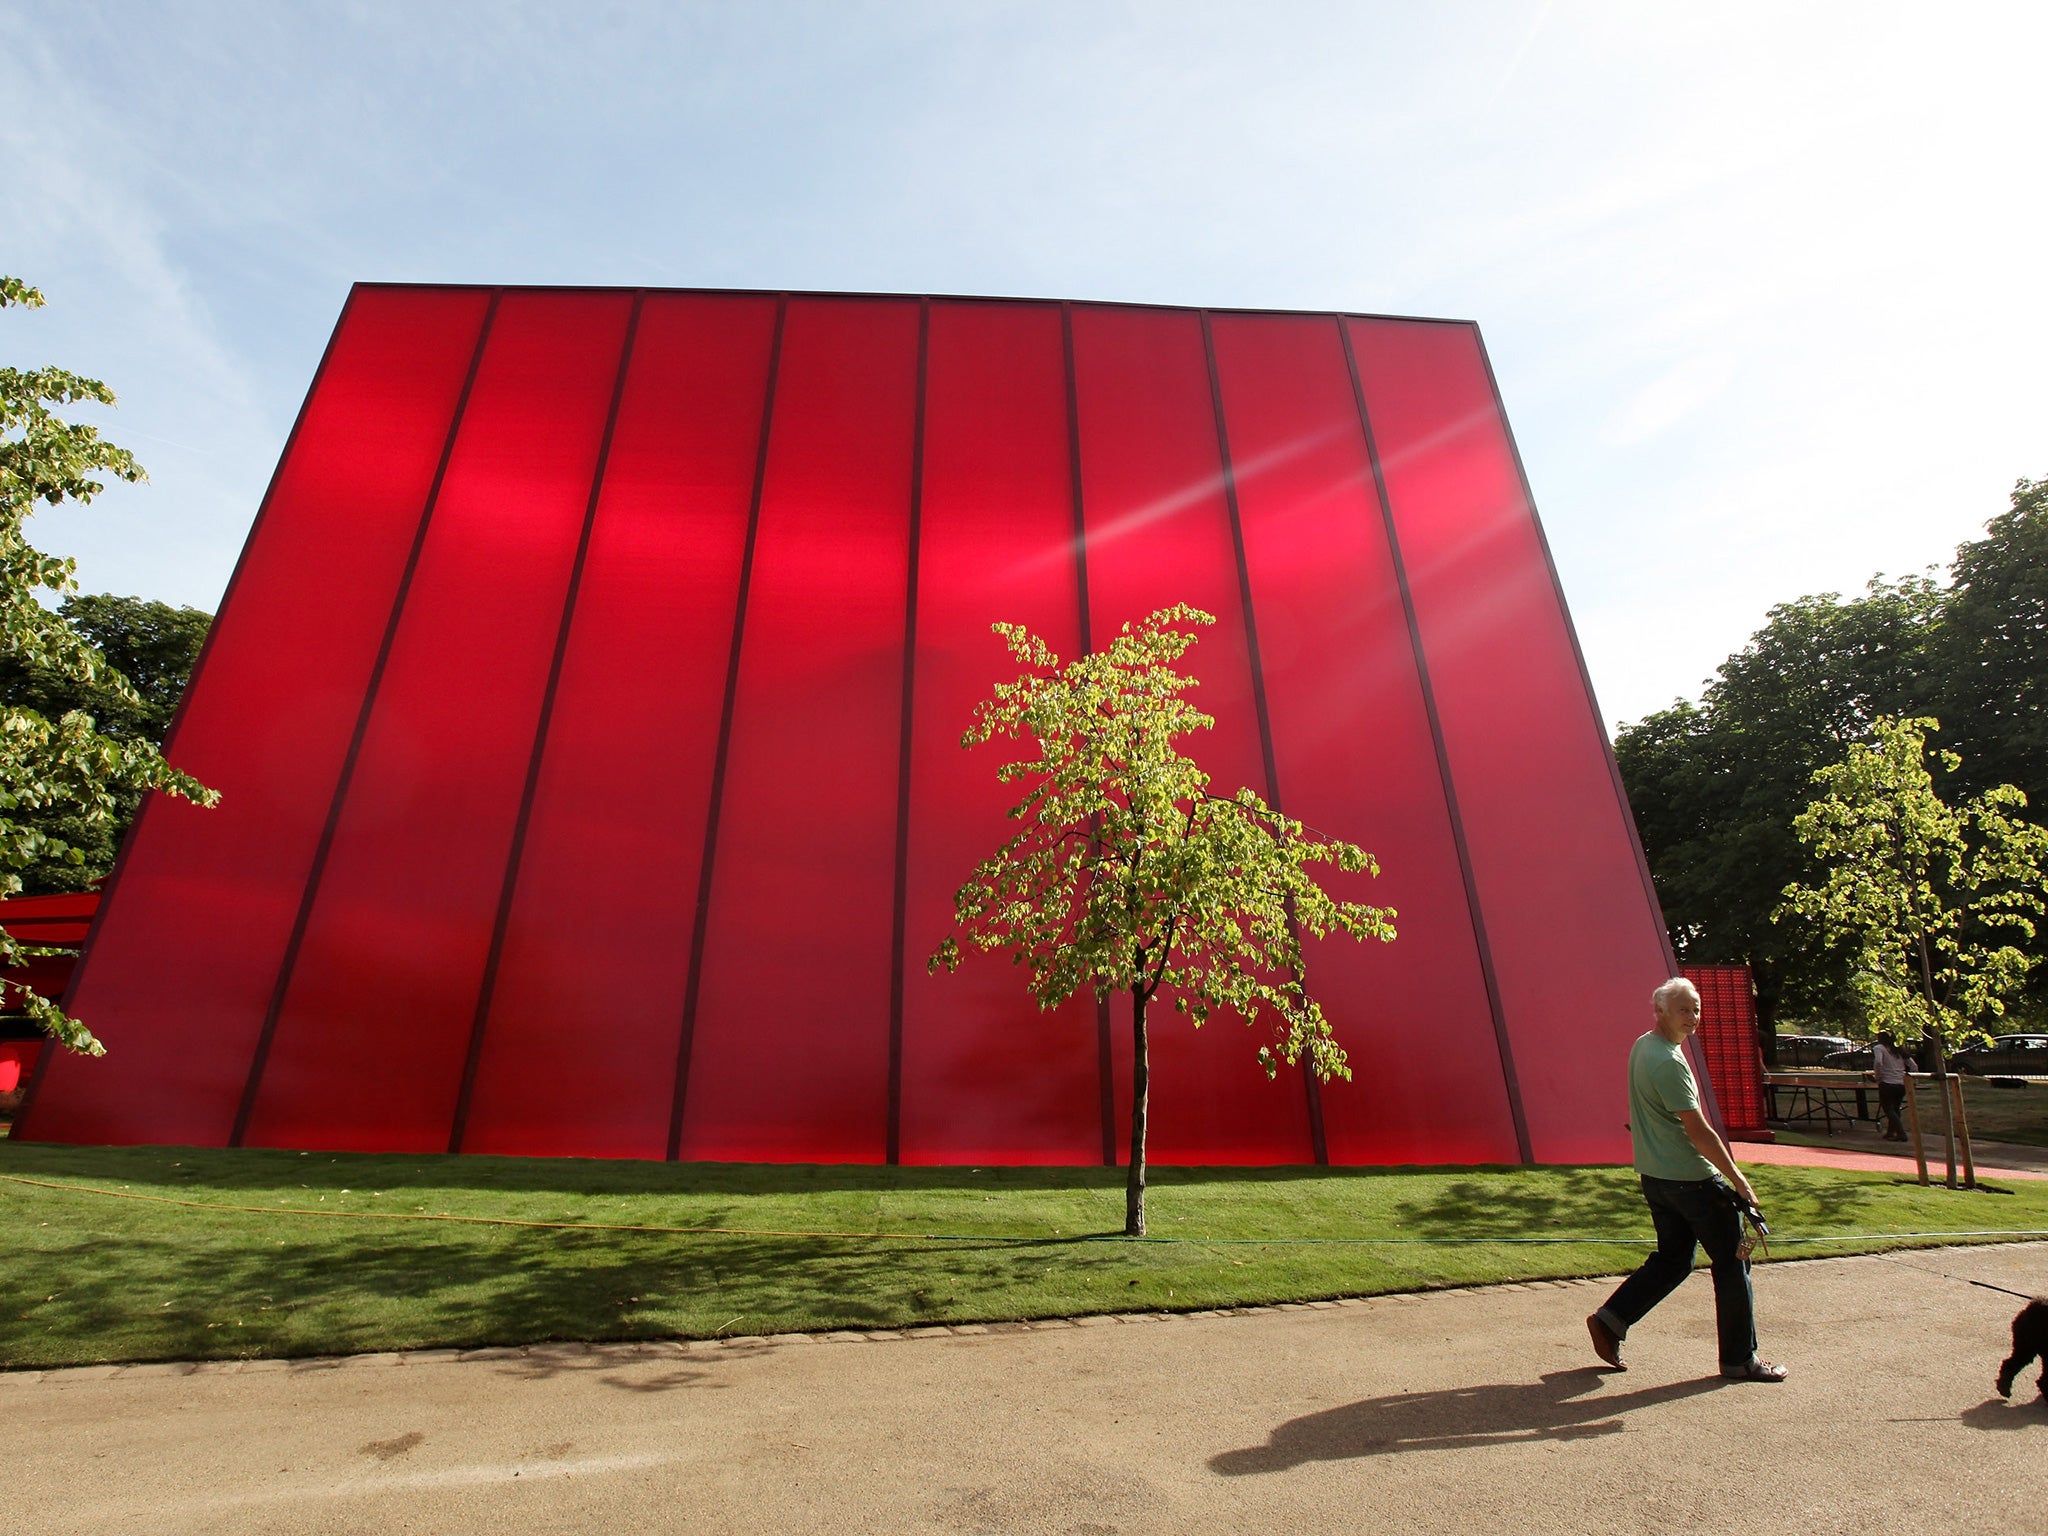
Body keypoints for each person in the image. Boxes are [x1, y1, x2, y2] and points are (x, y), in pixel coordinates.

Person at [1586, 977, 1787, 1382]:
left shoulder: (1644, 1046)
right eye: (1683, 1009)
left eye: (1695, 1008)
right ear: (1660, 1011)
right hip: (1693, 1182)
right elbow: (1698, 1131)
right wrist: (1739, 1179)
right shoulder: (1669, 1061)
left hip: (1657, 1179)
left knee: (1675, 1259)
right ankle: (1739, 1359)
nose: (1692, 1016)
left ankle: (1612, 1319)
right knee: (1732, 1267)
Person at [1871, 1031, 1915, 1141]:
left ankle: (1901, 1133)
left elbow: (1878, 1062)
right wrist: (1913, 1080)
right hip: (1901, 1083)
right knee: (1896, 1108)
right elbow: (1914, 1066)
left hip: (1887, 1082)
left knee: (1888, 1109)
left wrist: (1878, 1076)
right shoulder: (1898, 1049)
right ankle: (1890, 1132)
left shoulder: (1879, 1048)